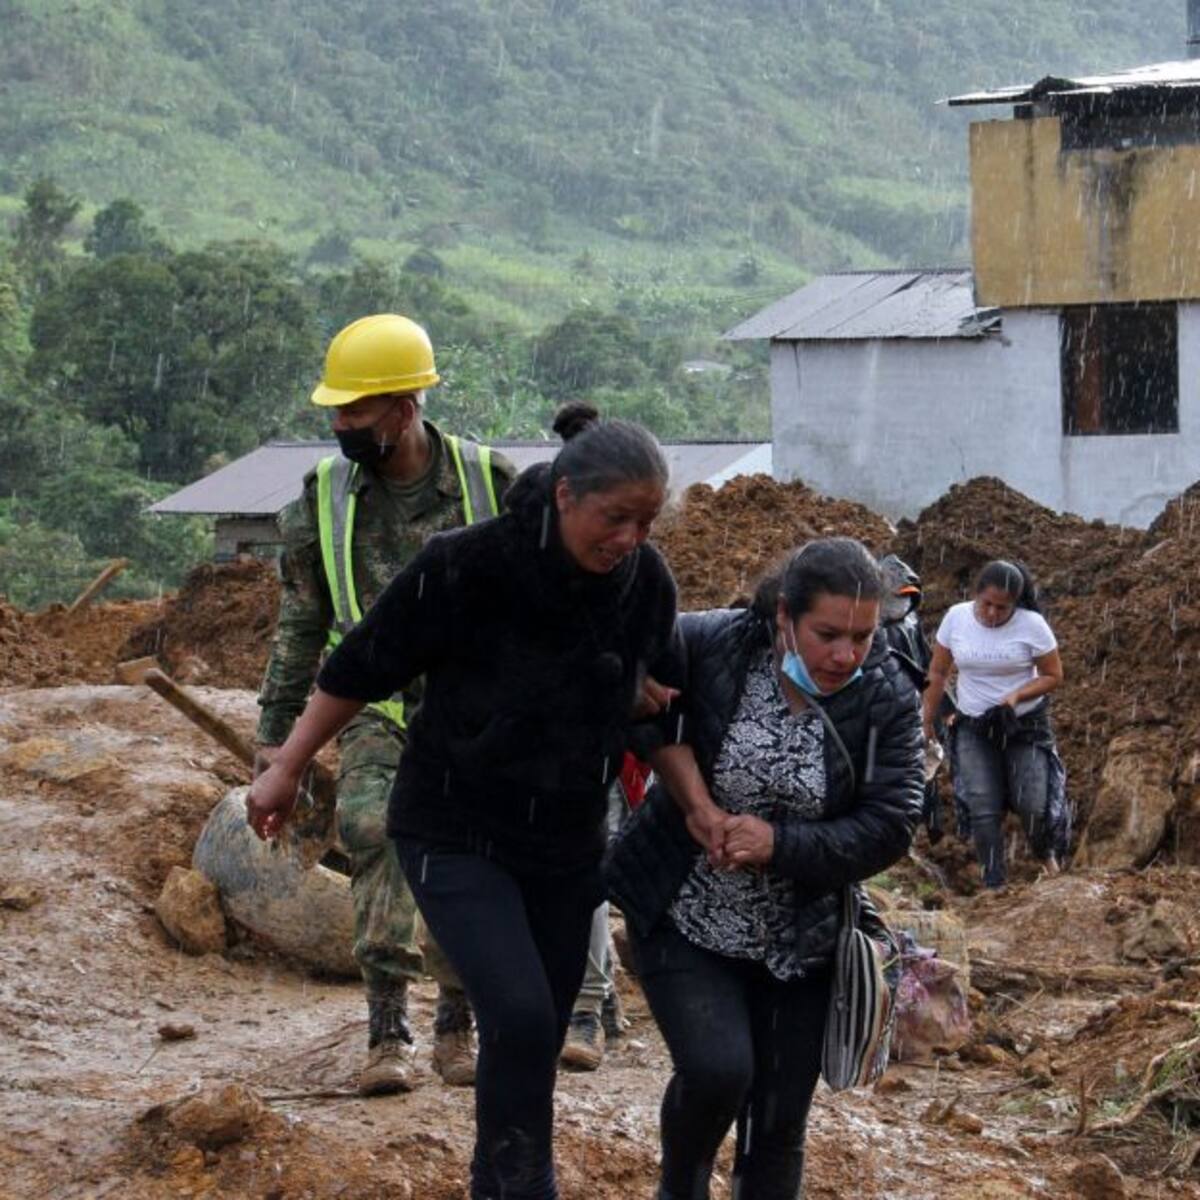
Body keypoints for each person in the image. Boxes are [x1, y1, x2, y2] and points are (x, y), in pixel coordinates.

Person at [248, 402, 679, 1200]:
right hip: (454, 824)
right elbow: (360, 664)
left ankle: (501, 1179)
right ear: (565, 496)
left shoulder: (644, 583)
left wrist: (641, 701)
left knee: (537, 1032)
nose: (630, 539)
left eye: (646, 522)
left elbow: (654, 686)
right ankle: (526, 1186)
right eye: (615, 518)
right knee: (518, 1012)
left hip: (566, 841)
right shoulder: (468, 565)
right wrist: (287, 765)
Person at [607, 537, 925, 1200]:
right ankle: (681, 1187)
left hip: (801, 934)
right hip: (685, 910)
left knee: (778, 1121)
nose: (845, 655)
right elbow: (639, 700)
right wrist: (696, 804)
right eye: (827, 635)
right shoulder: (714, 644)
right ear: (785, 615)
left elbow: (891, 821)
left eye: (862, 637)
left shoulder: (885, 694)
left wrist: (777, 844)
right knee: (717, 1071)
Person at [254, 312, 516, 1095]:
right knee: (372, 827)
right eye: (335, 410)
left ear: (404, 410)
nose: (339, 425)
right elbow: (301, 623)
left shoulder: (490, 482)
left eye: (354, 410)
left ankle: (456, 1021)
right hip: (373, 705)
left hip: (475, 712)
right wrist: (276, 742)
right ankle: (387, 1028)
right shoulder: (324, 497)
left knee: (471, 852)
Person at [921, 559, 1068, 889]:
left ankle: (1049, 863)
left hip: (1023, 725)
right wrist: (926, 720)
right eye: (986, 604)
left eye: (1002, 608)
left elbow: (1053, 675)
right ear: (976, 594)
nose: (992, 613)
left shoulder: (1032, 625)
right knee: (982, 804)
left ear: (1015, 604)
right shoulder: (956, 618)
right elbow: (938, 672)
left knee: (1032, 803)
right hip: (974, 725)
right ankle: (994, 884)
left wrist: (1016, 696)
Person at [878, 553, 944, 840]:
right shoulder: (871, 628)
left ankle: (920, 825)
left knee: (918, 766)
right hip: (888, 705)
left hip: (909, 704)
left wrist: (939, 711)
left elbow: (927, 666)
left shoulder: (909, 623)